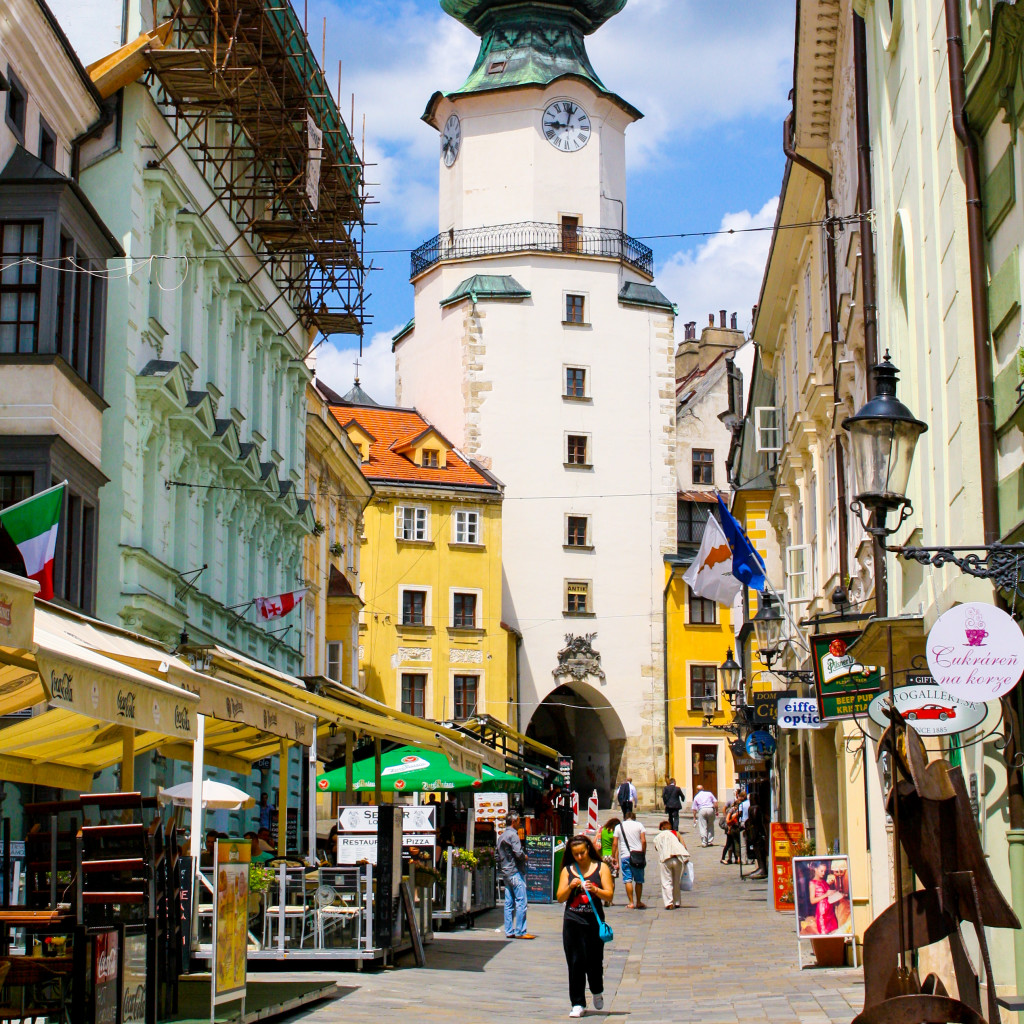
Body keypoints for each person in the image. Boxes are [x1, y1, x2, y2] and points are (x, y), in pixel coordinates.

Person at [556, 834, 614, 1018]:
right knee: (575, 962)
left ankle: (597, 990)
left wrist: (595, 889)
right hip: (573, 922)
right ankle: (577, 1002)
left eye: (582, 853)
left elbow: (609, 896)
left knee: (594, 961)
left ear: (588, 849)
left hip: (593, 923)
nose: (579, 857)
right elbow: (560, 897)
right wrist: (570, 886)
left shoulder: (601, 868)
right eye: (575, 854)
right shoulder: (568, 870)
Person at [497, 810, 535, 939]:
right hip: (515, 872)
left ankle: (509, 930)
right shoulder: (514, 836)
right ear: (513, 821)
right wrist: (524, 857)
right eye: (519, 820)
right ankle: (520, 931)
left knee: (508, 903)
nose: (520, 823)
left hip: (506, 872)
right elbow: (518, 853)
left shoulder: (501, 836)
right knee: (521, 901)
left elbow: (498, 856)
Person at [611, 812, 647, 909]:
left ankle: (631, 902)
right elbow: (643, 841)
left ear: (625, 818)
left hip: (625, 855)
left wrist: (613, 856)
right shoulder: (639, 825)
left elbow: (615, 843)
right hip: (638, 855)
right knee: (639, 880)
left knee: (628, 879)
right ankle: (638, 902)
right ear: (634, 818)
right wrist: (643, 853)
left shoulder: (619, 826)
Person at [653, 821, 689, 909]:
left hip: (666, 860)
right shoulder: (676, 833)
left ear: (661, 828)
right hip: (677, 859)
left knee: (666, 881)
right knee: (676, 881)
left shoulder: (659, 836)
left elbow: (656, 848)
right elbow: (684, 846)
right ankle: (677, 902)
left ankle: (669, 902)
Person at [808, 861, 840, 934]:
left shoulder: (824, 882)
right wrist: (825, 895)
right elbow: (812, 900)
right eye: (821, 871)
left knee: (835, 932)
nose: (823, 873)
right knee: (824, 934)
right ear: (816, 870)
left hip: (830, 911)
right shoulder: (813, 883)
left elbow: (828, 893)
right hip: (822, 913)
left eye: (824, 871)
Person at [599, 817, 621, 904]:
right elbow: (615, 847)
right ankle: (610, 899)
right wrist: (616, 860)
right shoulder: (614, 833)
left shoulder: (603, 830)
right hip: (610, 856)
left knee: (603, 877)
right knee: (612, 879)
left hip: (603, 856)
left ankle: (604, 897)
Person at [746, 798, 768, 879]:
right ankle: (761, 867)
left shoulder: (755, 808)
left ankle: (762, 868)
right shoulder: (752, 808)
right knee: (757, 850)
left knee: (759, 849)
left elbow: (755, 820)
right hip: (754, 832)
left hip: (757, 832)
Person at [738, 789, 751, 863]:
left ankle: (744, 860)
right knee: (750, 841)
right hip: (750, 823)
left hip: (743, 823)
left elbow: (739, 813)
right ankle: (750, 859)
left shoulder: (742, 805)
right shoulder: (750, 803)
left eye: (740, 797)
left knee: (743, 843)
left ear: (743, 797)